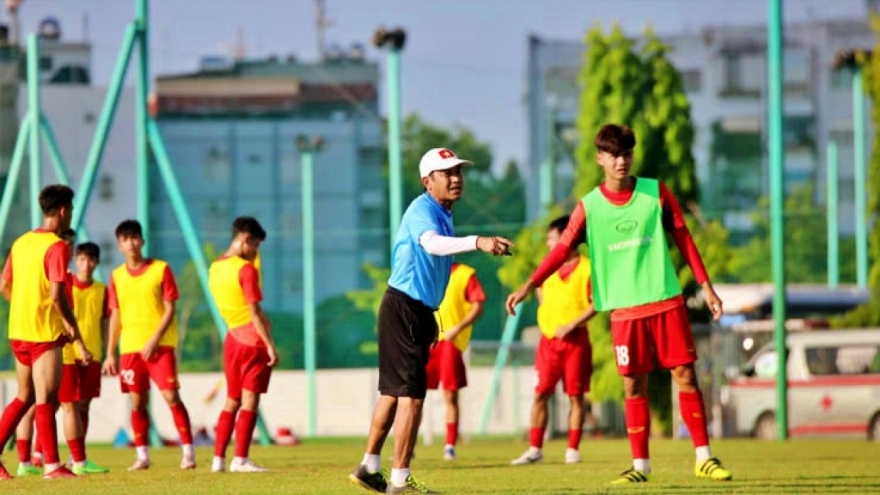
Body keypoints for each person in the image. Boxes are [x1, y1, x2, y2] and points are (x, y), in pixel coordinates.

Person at [505, 124, 732, 484]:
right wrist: (529, 283)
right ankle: (640, 466)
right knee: (632, 386)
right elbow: (562, 248)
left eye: (626, 154)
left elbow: (684, 239)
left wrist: (707, 287)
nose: (620, 161)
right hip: (625, 311)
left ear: (632, 155)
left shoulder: (655, 192)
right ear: (600, 159)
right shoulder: (589, 207)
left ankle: (703, 457)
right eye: (613, 155)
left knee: (685, 375)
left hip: (665, 301)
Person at [348, 147, 513, 494]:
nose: (456, 178)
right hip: (404, 308)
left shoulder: (442, 211)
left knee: (393, 394)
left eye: (458, 172)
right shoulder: (423, 210)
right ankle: (399, 480)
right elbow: (433, 245)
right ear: (428, 181)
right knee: (413, 397)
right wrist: (478, 241)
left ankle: (368, 467)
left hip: (413, 310)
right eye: (447, 173)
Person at [0, 184, 90, 479]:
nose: (71, 215)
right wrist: (72, 327)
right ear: (63, 210)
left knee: (23, 396)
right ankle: (52, 465)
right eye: (72, 210)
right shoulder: (57, 246)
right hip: (43, 335)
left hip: (18, 332)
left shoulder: (21, 242)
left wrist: (25, 306)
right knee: (46, 398)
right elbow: (56, 295)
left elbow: (4, 285)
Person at [101, 219, 195, 471]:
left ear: (142, 241)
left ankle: (188, 451)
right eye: (125, 239)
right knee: (137, 402)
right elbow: (116, 316)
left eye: (134, 238)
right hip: (130, 349)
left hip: (160, 345)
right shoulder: (117, 276)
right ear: (119, 245)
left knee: (171, 396)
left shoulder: (160, 269)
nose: (131, 243)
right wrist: (110, 353)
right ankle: (142, 455)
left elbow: (170, 308)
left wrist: (154, 338)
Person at [15, 233, 109, 476]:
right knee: (47, 403)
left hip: (84, 352)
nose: (67, 250)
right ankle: (53, 459)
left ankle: (45, 458)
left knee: (57, 404)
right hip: (59, 350)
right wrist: (77, 343)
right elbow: (58, 308)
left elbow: (106, 320)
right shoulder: (61, 280)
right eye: (79, 256)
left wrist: (105, 351)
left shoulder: (100, 288)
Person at [510, 215, 595, 467]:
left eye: (551, 238)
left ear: (567, 238)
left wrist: (571, 324)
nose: (548, 244)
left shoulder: (588, 268)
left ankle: (572, 450)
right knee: (540, 394)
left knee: (576, 397)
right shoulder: (547, 268)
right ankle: (535, 449)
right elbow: (540, 291)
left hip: (576, 340)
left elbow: (597, 302)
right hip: (548, 343)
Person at [208, 216, 279, 473]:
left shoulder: (215, 267)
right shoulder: (245, 270)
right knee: (250, 401)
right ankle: (240, 460)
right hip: (252, 342)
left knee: (231, 400)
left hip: (232, 340)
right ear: (246, 239)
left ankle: (218, 460)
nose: (255, 253)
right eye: (255, 246)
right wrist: (270, 344)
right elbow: (254, 311)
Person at [424, 262, 485, 461]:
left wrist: (457, 328)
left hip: (450, 342)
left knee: (450, 395)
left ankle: (449, 446)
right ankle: (409, 446)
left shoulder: (465, 274)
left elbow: (478, 306)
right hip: (425, 341)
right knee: (412, 396)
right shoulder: (426, 271)